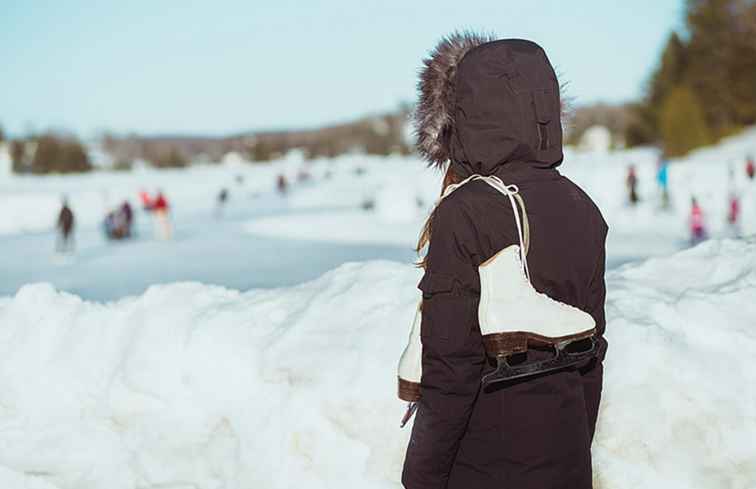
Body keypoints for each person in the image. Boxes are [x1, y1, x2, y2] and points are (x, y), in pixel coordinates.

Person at [402, 34, 607, 489]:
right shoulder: (583, 208)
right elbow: (593, 351)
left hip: (483, 465)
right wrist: (574, 445)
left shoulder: (465, 211)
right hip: (567, 462)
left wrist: (421, 476)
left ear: (466, 114)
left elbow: (450, 368)